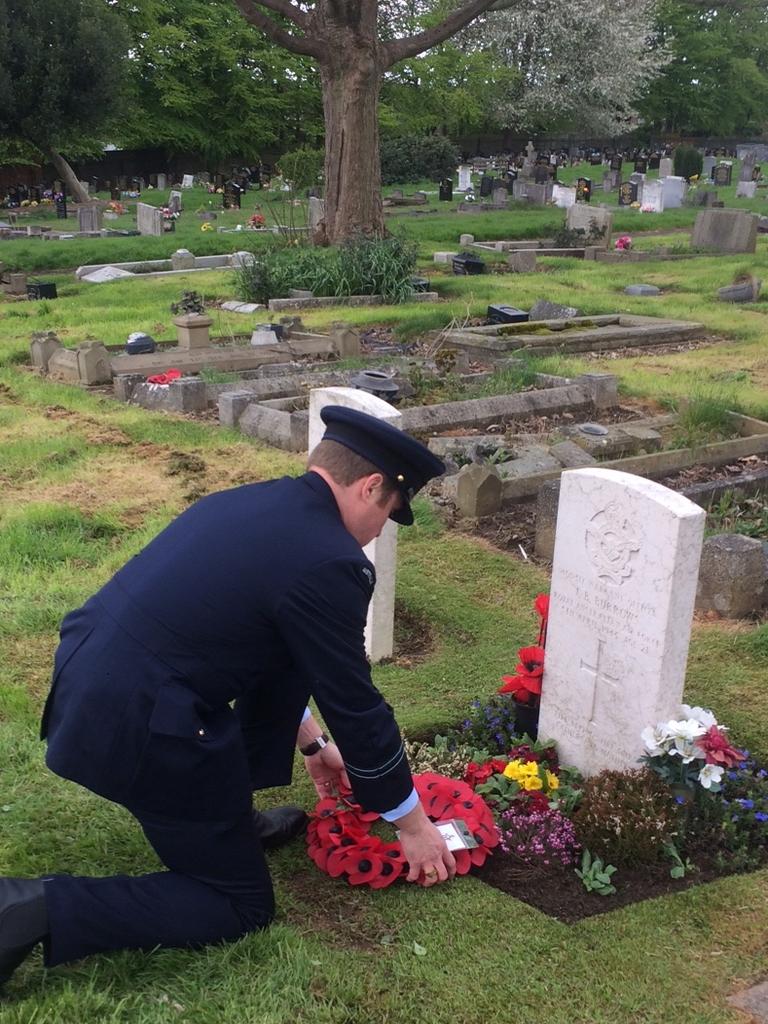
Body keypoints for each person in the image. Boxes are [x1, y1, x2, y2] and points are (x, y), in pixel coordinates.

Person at [0, 406, 456, 991]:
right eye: (390, 515)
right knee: (238, 905)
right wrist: (412, 823)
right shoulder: (329, 559)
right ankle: (30, 908)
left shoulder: (249, 503)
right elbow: (356, 704)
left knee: (214, 759)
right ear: (371, 487)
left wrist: (313, 744)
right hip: (141, 724)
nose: (380, 530)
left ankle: (225, 820)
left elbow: (270, 651)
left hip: (96, 682)